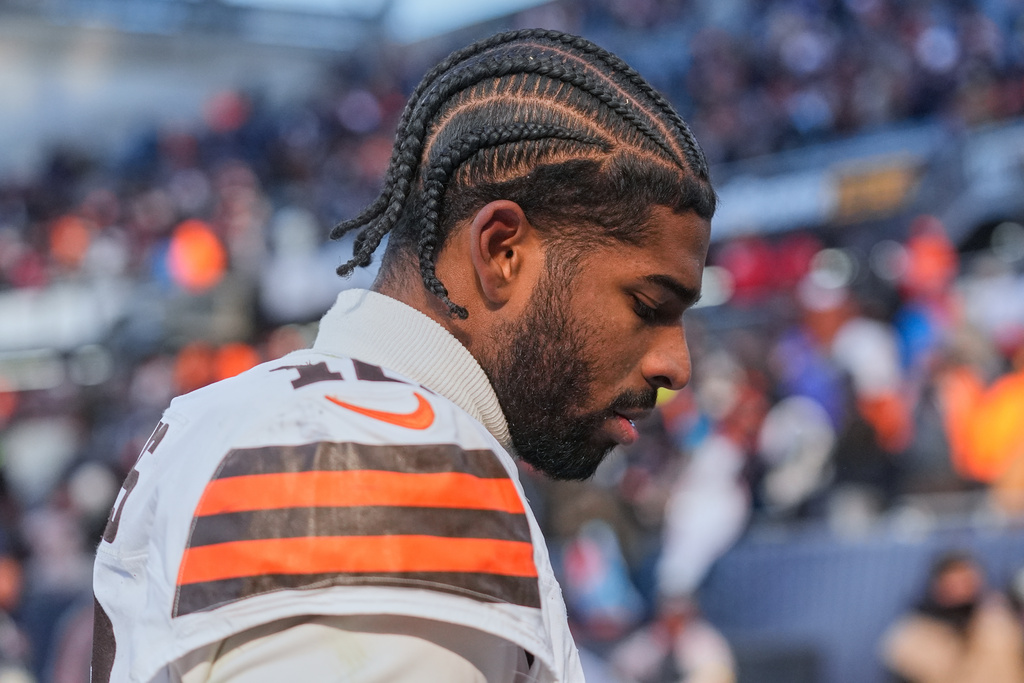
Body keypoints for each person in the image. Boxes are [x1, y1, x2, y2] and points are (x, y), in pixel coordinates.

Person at [92, 28, 715, 683]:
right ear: (503, 251)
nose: (677, 365)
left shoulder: (238, 414)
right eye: (648, 304)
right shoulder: (393, 454)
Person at [880, 550, 1024, 683]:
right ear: (937, 584)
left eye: (967, 578)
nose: (962, 586)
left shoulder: (1000, 620)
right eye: (954, 579)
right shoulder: (913, 636)